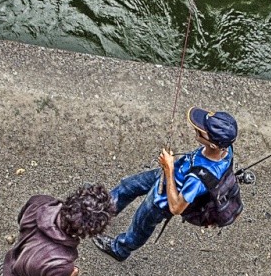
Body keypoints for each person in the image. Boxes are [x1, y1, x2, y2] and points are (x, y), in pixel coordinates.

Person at [93, 106, 238, 262]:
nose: (197, 127)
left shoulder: (197, 180)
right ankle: (100, 214)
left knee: (140, 225)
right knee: (127, 186)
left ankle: (120, 249)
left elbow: (176, 207)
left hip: (161, 201)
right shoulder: (226, 148)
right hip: (169, 175)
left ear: (214, 145)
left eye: (202, 131)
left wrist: (169, 168)